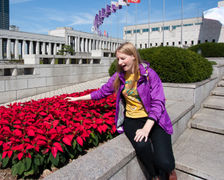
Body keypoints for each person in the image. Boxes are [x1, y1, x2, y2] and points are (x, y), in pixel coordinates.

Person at [66, 42, 177, 180]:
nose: (120, 62)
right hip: (132, 120)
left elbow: (158, 103)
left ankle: (169, 170)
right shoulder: (119, 76)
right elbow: (102, 92)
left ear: (133, 56)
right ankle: (155, 175)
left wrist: (146, 129)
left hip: (154, 119)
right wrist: (77, 99)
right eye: (118, 59)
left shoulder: (149, 74)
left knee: (166, 163)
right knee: (142, 146)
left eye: (123, 58)